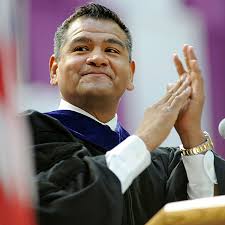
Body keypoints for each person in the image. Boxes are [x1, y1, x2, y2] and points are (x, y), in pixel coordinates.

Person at [26, 3, 225, 225]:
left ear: (130, 75)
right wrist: (144, 140)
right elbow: (52, 211)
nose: (98, 58)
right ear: (54, 70)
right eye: (81, 48)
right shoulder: (25, 137)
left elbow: (203, 219)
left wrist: (191, 137)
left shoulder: (163, 165)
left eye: (111, 50)